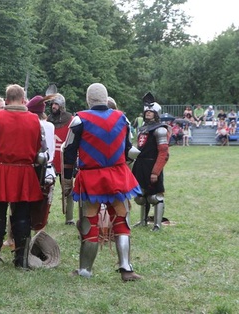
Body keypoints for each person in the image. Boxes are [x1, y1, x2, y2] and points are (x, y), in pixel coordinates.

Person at [62, 83, 142, 281]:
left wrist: (66, 179)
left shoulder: (79, 120)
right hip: (117, 175)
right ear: (106, 99)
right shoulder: (122, 118)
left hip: (92, 177)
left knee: (90, 222)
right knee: (122, 219)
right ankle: (126, 269)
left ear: (88, 99)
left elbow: (69, 151)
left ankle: (85, 270)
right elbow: (129, 149)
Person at [0, 84, 47, 269]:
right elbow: (42, 153)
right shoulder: (36, 120)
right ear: (24, 100)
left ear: (6, 100)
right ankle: (21, 261)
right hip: (24, 173)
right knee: (23, 217)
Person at [132, 92, 170, 232]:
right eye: (147, 111)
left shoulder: (160, 129)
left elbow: (163, 152)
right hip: (140, 165)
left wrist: (156, 171)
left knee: (155, 196)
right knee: (140, 196)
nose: (148, 113)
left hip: (152, 164)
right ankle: (143, 221)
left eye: (151, 112)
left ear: (156, 113)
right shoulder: (142, 128)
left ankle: (157, 224)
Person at [26, 95, 56, 231]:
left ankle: (11, 238)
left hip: (31, 170)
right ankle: (39, 237)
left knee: (20, 206)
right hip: (48, 172)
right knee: (42, 209)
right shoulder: (50, 126)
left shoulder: (30, 124)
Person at [46, 93, 74, 225]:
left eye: (56, 104)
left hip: (66, 159)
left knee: (68, 189)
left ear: (62, 106)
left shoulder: (71, 120)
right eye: (52, 104)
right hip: (51, 160)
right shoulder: (48, 120)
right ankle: (44, 215)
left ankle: (69, 218)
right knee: (46, 189)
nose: (54, 107)